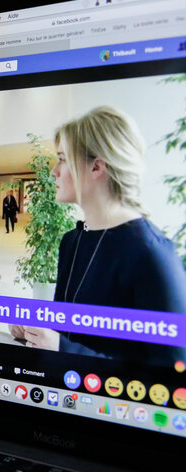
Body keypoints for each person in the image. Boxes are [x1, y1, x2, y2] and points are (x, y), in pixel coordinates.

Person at [11, 106, 186, 364]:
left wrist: (62, 348)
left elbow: (170, 381)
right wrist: (36, 330)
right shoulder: (72, 241)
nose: (53, 171)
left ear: (96, 167)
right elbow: (71, 329)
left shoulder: (152, 255)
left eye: (62, 158)